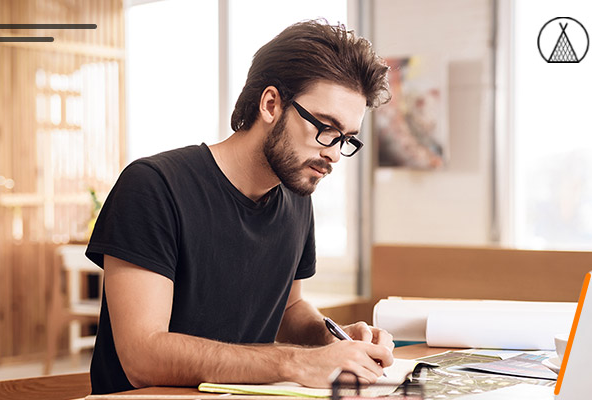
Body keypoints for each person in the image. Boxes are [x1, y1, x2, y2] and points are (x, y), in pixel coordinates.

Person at [86, 20, 394, 394]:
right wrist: (295, 362)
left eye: (345, 139)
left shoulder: (297, 197)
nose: (333, 153)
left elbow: (288, 308)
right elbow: (142, 357)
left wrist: (332, 340)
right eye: (325, 128)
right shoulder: (153, 186)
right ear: (270, 104)